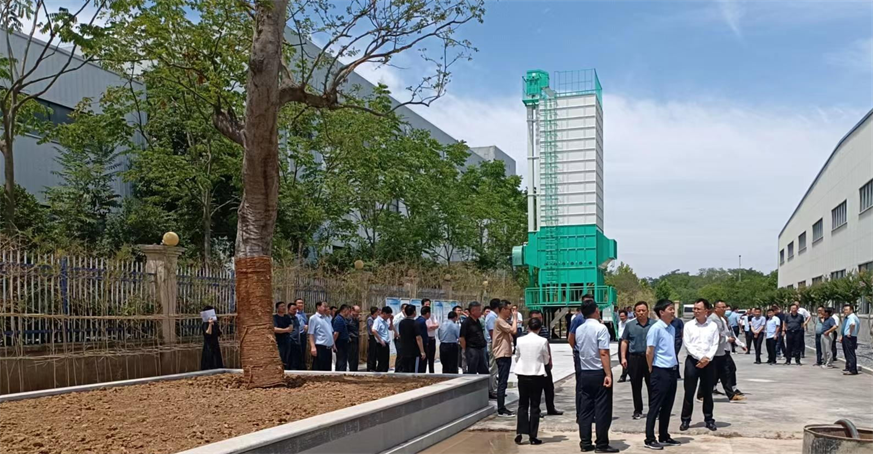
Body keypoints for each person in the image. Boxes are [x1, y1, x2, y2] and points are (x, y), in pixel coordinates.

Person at [574, 299, 617, 453]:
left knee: (585, 409)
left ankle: (585, 442)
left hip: (585, 372)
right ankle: (601, 444)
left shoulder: (579, 329)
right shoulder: (601, 328)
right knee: (602, 409)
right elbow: (603, 352)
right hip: (598, 371)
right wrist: (608, 374)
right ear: (596, 311)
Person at [644, 299, 681, 450]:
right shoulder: (656, 329)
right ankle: (649, 438)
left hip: (671, 370)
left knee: (668, 405)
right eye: (670, 309)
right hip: (660, 370)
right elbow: (649, 351)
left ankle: (664, 435)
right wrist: (651, 368)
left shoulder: (671, 328)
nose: (673, 311)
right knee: (655, 406)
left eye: (673, 309)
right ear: (661, 312)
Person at [680, 299, 719, 433]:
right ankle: (685, 419)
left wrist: (707, 358)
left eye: (699, 309)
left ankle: (709, 419)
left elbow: (715, 344)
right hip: (693, 361)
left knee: (707, 392)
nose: (696, 311)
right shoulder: (689, 325)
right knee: (689, 392)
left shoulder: (713, 326)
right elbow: (688, 344)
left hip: (709, 362)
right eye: (694, 309)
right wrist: (700, 357)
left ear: (706, 310)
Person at [513, 317, 550, 446]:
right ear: (539, 328)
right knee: (535, 405)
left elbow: (517, 356)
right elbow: (546, 359)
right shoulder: (543, 341)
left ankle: (520, 431)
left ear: (528, 327)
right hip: (537, 374)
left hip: (522, 374)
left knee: (523, 404)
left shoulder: (520, 340)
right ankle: (533, 436)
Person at [620, 301, 654, 420]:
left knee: (652, 385)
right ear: (635, 312)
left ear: (648, 311)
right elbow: (624, 341)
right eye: (638, 311)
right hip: (634, 358)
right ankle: (638, 410)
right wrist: (623, 357)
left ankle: (654, 409)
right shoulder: (630, 325)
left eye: (643, 310)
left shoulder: (654, 325)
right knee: (636, 385)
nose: (641, 313)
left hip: (650, 358)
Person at [706, 301, 744, 401]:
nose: (725, 309)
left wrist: (738, 343)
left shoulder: (721, 319)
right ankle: (702, 394)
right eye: (722, 307)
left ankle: (731, 394)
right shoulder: (713, 319)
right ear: (716, 308)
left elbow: (726, 332)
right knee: (712, 374)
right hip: (715, 351)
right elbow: (715, 335)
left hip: (722, 350)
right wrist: (727, 339)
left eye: (725, 307)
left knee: (725, 372)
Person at [529, 309, 563, 416]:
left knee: (549, 387)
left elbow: (547, 345)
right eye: (536, 318)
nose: (539, 320)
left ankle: (551, 408)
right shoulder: (527, 332)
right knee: (535, 389)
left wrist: (550, 359)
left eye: (540, 318)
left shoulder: (544, 329)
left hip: (545, 362)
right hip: (534, 364)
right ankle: (536, 410)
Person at [493, 301, 518, 417]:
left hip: (506, 354)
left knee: (504, 381)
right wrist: (515, 318)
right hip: (502, 354)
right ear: (503, 309)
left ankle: (502, 407)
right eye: (509, 309)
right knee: (502, 382)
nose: (510, 312)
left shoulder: (503, 322)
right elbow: (514, 331)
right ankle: (501, 408)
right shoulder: (499, 321)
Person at [568, 294, 595, 374]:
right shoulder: (578, 319)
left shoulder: (596, 317)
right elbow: (571, 337)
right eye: (586, 302)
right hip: (580, 354)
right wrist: (576, 349)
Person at [461, 301, 489, 375]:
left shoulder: (477, 321)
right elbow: (462, 338)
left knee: (484, 371)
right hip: (472, 349)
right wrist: (465, 350)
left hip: (480, 349)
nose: (480, 312)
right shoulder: (466, 322)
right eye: (479, 310)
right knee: (472, 370)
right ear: (473, 311)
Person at [309, 301, 335, 371]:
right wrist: (313, 347)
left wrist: (333, 344)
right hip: (320, 347)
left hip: (328, 348)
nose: (326, 309)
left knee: (327, 369)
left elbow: (330, 332)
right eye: (324, 307)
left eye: (327, 307)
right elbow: (311, 333)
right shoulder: (313, 318)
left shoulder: (327, 318)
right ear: (318, 307)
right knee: (319, 368)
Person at [485, 298, 501, 399]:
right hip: (492, 344)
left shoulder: (494, 316)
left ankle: (494, 388)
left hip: (493, 343)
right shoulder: (491, 317)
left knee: (495, 368)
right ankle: (491, 390)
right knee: (493, 368)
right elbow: (492, 332)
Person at [273, 301, 296, 370]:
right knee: (280, 356)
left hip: (287, 340)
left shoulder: (287, 317)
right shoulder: (275, 317)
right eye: (281, 306)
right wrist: (285, 330)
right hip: (279, 340)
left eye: (284, 306)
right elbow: (275, 329)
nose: (283, 308)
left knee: (287, 357)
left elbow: (291, 328)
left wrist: (283, 330)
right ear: (277, 308)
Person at [840, 304, 861, 375]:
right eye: (844, 310)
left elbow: (853, 324)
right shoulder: (851, 317)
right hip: (849, 336)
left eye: (846, 310)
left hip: (849, 337)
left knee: (850, 353)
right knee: (848, 353)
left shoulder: (851, 317)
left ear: (851, 310)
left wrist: (850, 332)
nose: (845, 311)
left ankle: (852, 370)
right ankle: (849, 367)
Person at [200, 306, 224, 370]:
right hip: (208, 346)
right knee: (209, 362)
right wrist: (210, 324)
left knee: (217, 361)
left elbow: (219, 333)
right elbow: (208, 333)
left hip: (215, 345)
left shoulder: (215, 324)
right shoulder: (205, 324)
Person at [371, 306, 393, 372]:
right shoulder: (378, 320)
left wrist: (391, 320)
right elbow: (373, 330)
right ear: (384, 313)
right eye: (388, 315)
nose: (388, 317)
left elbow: (390, 328)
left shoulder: (385, 321)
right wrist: (380, 340)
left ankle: (385, 373)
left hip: (386, 343)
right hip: (381, 344)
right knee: (382, 362)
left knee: (386, 362)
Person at [332, 305, 351, 371]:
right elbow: (336, 333)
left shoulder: (343, 319)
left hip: (344, 343)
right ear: (344, 310)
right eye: (348, 311)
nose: (349, 313)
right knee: (341, 361)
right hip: (340, 343)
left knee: (343, 360)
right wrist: (333, 344)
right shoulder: (338, 319)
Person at [414, 306, 431, 373]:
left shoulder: (417, 320)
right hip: (422, 345)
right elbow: (422, 336)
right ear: (427, 313)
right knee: (422, 365)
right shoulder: (422, 322)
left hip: (417, 345)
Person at [287, 302, 303, 369]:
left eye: (296, 309)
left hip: (297, 342)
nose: (295, 311)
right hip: (290, 342)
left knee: (296, 361)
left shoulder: (296, 318)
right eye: (293, 309)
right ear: (288, 309)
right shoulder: (286, 318)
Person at [424, 304, 439, 373]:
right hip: (426, 339)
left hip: (432, 339)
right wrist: (432, 326)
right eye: (427, 304)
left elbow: (437, 325)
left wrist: (431, 326)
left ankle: (432, 372)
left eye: (429, 304)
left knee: (431, 358)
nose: (428, 305)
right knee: (424, 358)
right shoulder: (421, 316)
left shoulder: (432, 315)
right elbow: (426, 327)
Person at [346, 305, 361, 371]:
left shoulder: (356, 319)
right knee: (351, 356)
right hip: (351, 339)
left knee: (356, 356)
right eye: (356, 312)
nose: (357, 314)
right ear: (352, 311)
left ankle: (355, 369)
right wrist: (348, 337)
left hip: (356, 338)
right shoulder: (348, 319)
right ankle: (351, 369)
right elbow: (346, 329)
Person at [670, 314, 684, 380]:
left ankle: (677, 374)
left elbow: (682, 331)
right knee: (673, 356)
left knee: (674, 355)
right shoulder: (667, 321)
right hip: (669, 340)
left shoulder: (678, 321)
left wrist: (681, 339)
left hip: (677, 340)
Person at [295, 298, 308, 367]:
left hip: (303, 334)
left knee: (303, 351)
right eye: (299, 303)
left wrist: (307, 326)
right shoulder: (294, 314)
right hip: (296, 335)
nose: (301, 304)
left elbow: (306, 323)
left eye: (302, 303)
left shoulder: (304, 314)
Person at [366, 306, 380, 371]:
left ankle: (374, 366)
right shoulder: (370, 319)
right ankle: (370, 367)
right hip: (372, 337)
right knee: (372, 353)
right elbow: (372, 329)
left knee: (375, 353)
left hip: (376, 337)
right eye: (377, 312)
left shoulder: (376, 319)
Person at [616, 310, 628, 382]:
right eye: (620, 316)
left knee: (626, 358)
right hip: (620, 341)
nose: (622, 318)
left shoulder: (629, 323)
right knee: (621, 358)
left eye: (623, 316)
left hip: (626, 341)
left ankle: (624, 375)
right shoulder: (619, 323)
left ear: (626, 316)